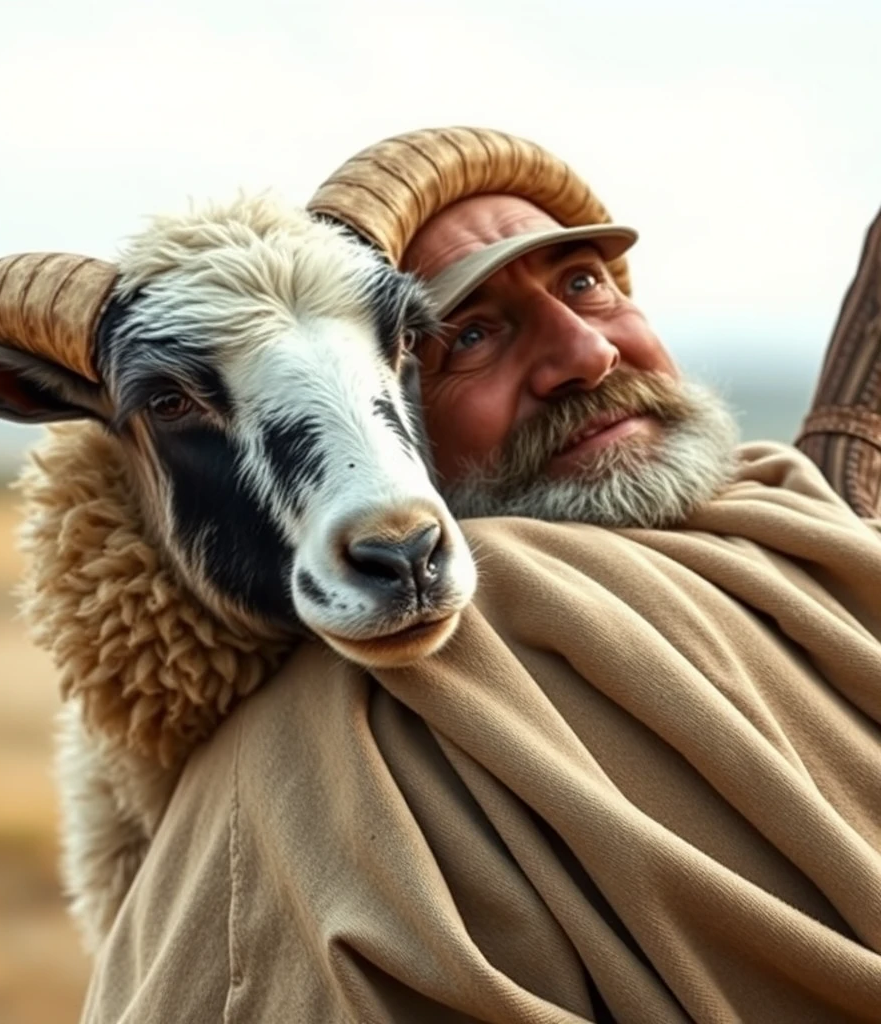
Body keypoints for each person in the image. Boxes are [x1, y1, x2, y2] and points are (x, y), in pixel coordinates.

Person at [77, 127, 881, 1023]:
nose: (587, 354)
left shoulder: (801, 519)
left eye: (586, 282)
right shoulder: (322, 777)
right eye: (471, 335)